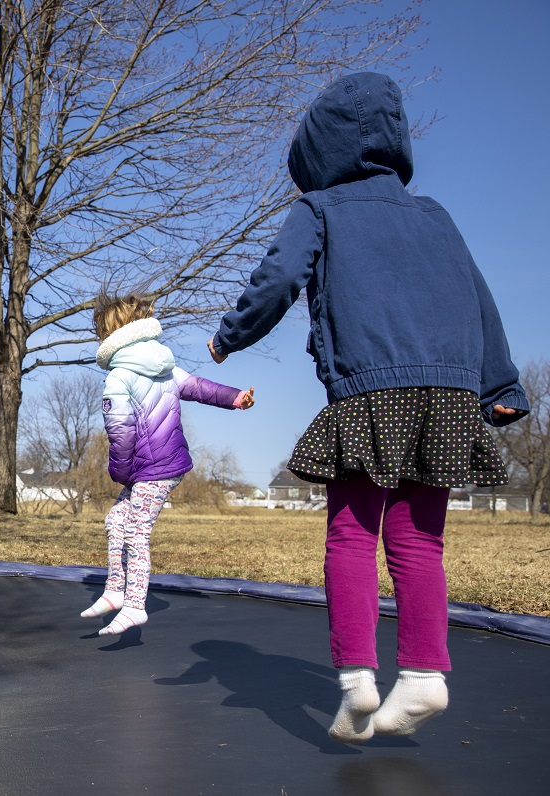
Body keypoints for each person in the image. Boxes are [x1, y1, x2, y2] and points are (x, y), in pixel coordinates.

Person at [207, 73, 529, 744]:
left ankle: (357, 676)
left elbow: (278, 280)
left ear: (318, 155)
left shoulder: (319, 208)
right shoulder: (436, 214)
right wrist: (501, 388)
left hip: (370, 392)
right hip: (447, 394)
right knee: (420, 541)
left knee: (351, 535)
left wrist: (229, 336)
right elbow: (480, 298)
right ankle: (423, 676)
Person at [84, 293, 254, 635]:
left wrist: (119, 473)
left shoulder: (118, 377)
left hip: (152, 470)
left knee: (136, 530)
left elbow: (120, 436)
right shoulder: (164, 366)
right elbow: (198, 387)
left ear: (108, 338)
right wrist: (235, 397)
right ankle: (116, 589)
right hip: (164, 464)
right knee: (116, 519)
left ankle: (134, 605)